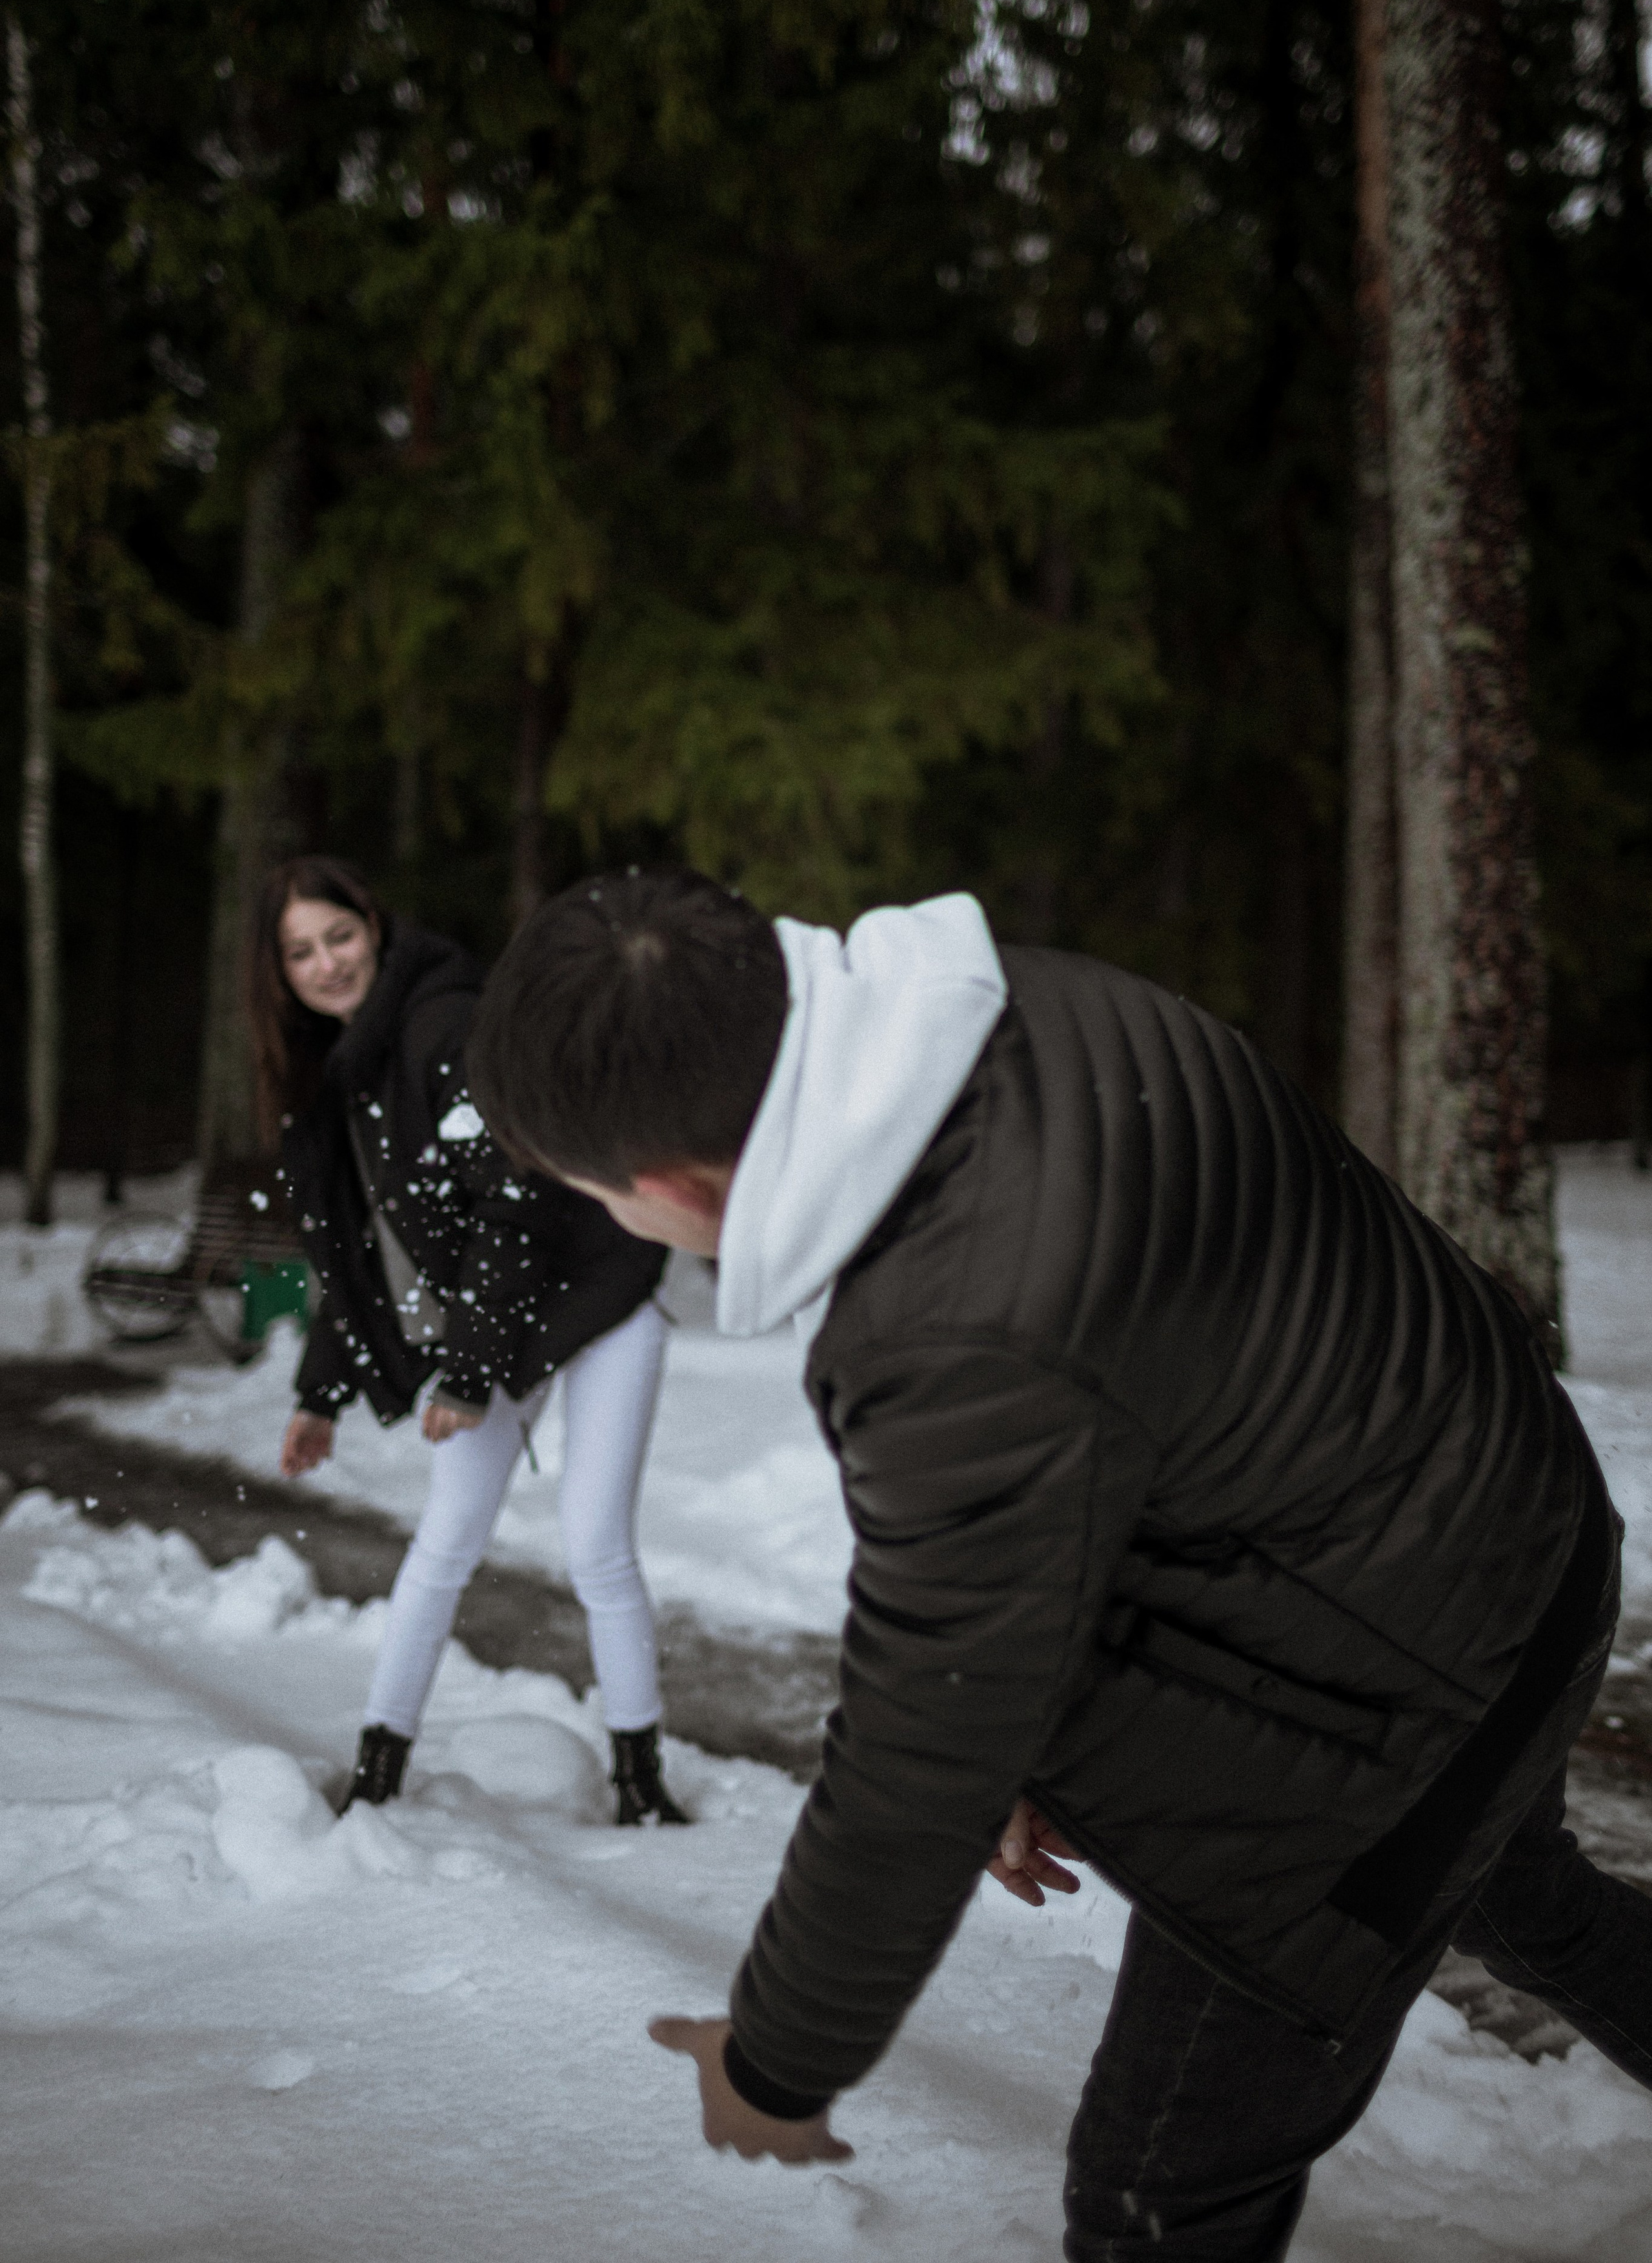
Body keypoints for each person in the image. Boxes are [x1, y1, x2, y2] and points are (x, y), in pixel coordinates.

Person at [465, 865, 1652, 2260]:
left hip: (1396, 1709)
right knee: (1521, 1889)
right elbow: (1158, 1422)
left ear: (665, 1185)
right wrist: (1020, 1731)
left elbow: (920, 1750)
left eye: (600, 1197)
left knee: (1156, 2195)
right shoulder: (1013, 1002)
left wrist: (773, 2060)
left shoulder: (948, 1331)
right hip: (1515, 1526)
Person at [251, 853, 688, 1826]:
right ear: (277, 973)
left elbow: (516, 1199)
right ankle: (378, 1770)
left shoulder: (441, 1022)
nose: (327, 963)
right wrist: (320, 1391)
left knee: (597, 1545)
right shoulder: (341, 1072)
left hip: (595, 1290)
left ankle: (640, 1780)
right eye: (301, 951)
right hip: (499, 1319)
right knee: (445, 1542)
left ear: (375, 926)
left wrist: (469, 1368)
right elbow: (367, 1252)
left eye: (341, 936)